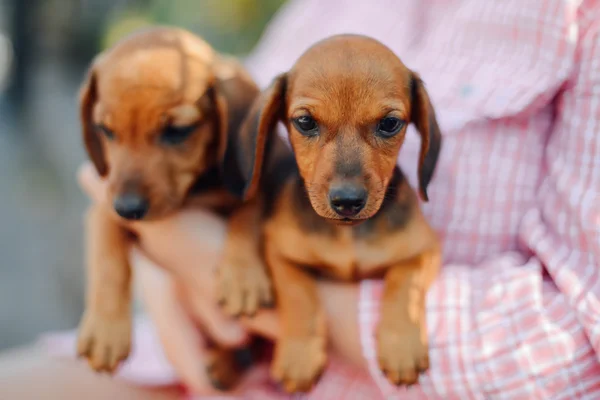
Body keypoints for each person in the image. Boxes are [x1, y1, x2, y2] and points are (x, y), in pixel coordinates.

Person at [1, 0, 599, 398]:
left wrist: (227, 275)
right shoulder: (322, 12)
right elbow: (241, 163)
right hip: (190, 363)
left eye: (387, 126)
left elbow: (576, 340)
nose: (344, 182)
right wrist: (164, 265)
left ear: (421, 132)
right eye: (306, 125)